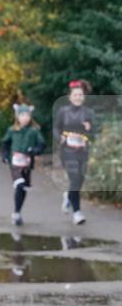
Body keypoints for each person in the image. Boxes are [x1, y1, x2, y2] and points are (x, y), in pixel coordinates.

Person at [53, 79, 95, 225]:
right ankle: (77, 213)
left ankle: (68, 196)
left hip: (82, 151)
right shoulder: (63, 112)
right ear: (69, 96)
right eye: (75, 95)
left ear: (84, 97)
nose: (78, 97)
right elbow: (56, 128)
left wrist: (89, 129)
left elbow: (94, 134)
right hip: (67, 151)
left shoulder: (88, 113)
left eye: (80, 95)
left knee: (79, 180)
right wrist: (60, 138)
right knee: (75, 178)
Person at [1, 102, 46, 226]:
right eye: (22, 115)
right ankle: (16, 213)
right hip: (15, 163)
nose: (25, 118)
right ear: (17, 117)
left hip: (26, 164)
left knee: (23, 188)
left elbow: (42, 144)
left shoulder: (34, 131)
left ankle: (17, 212)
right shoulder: (12, 130)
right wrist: (4, 155)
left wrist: (35, 151)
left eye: (27, 115)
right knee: (19, 184)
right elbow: (5, 143)